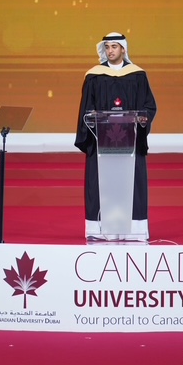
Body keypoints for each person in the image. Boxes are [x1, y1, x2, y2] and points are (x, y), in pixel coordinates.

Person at [74, 32, 157, 241]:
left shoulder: (137, 75)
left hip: (130, 141)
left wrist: (143, 118)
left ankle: (134, 231)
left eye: (114, 46)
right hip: (101, 141)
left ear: (123, 49)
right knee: (101, 184)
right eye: (107, 47)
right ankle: (101, 231)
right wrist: (92, 121)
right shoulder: (94, 77)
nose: (110, 51)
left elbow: (149, 106)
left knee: (132, 184)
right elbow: (86, 109)